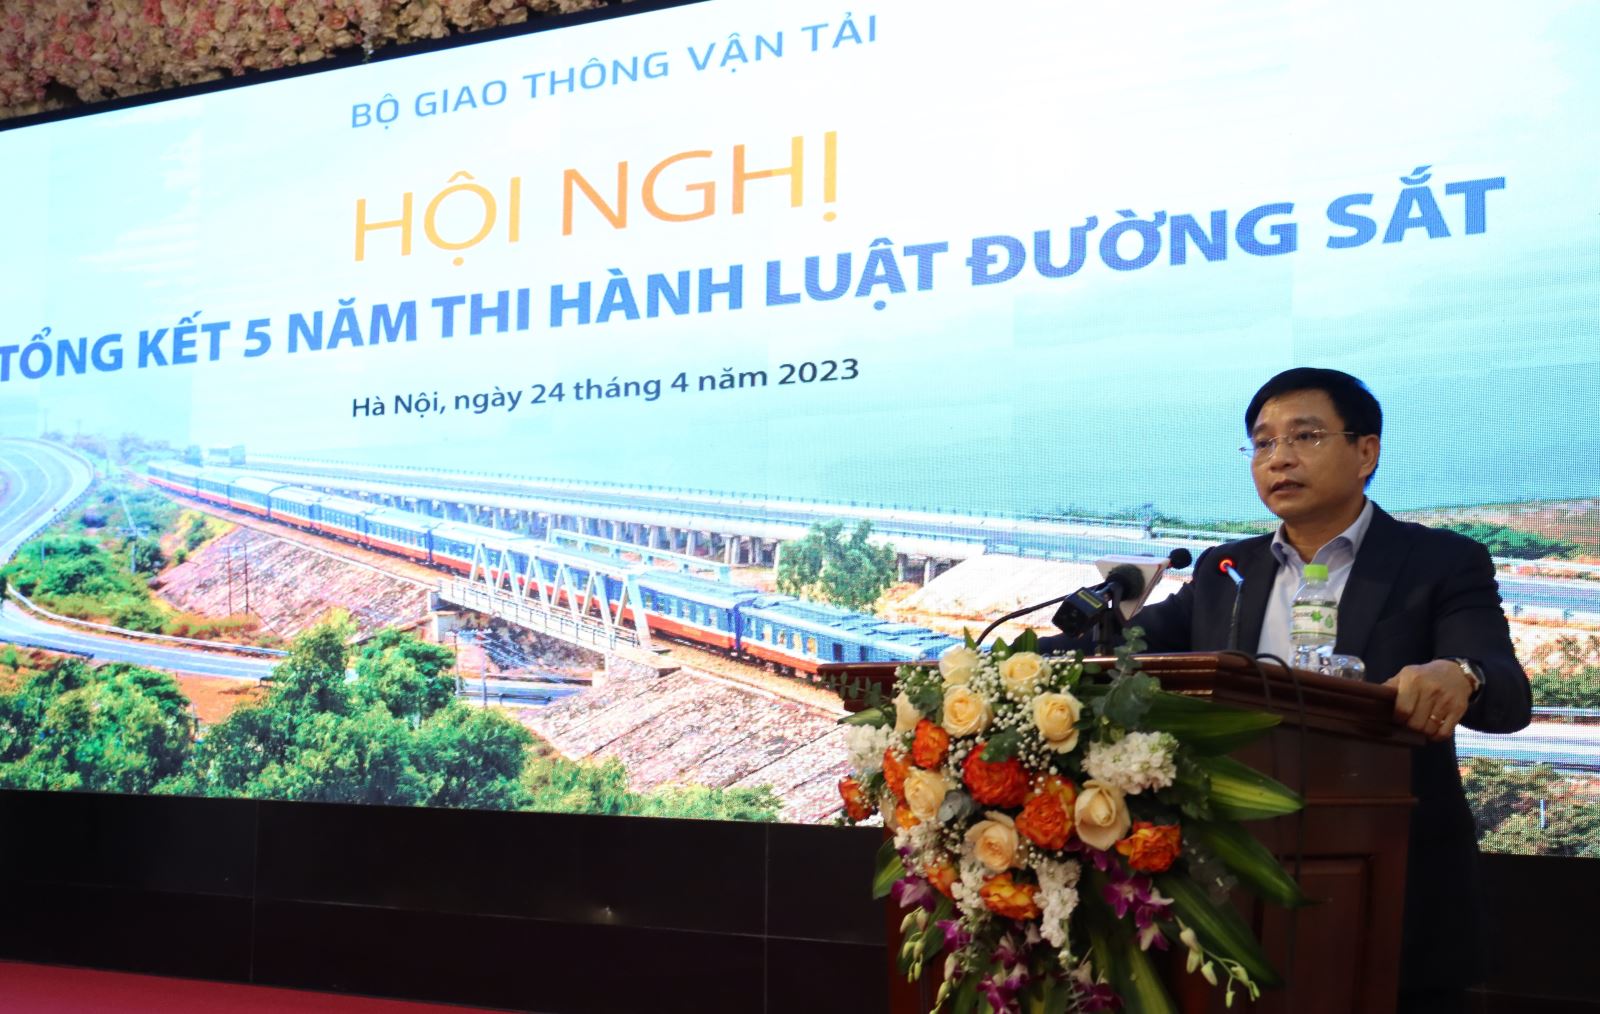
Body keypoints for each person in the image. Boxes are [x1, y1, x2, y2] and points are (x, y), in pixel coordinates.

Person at [1039, 367, 1531, 1014]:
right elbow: (1125, 647)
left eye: (1305, 436)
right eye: (1264, 442)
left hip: (1391, 888)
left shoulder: (1439, 562)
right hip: (1227, 888)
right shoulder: (1226, 569)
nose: (1280, 458)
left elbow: (1505, 688)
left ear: (1366, 451)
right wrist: (1010, 666)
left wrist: (1461, 675)